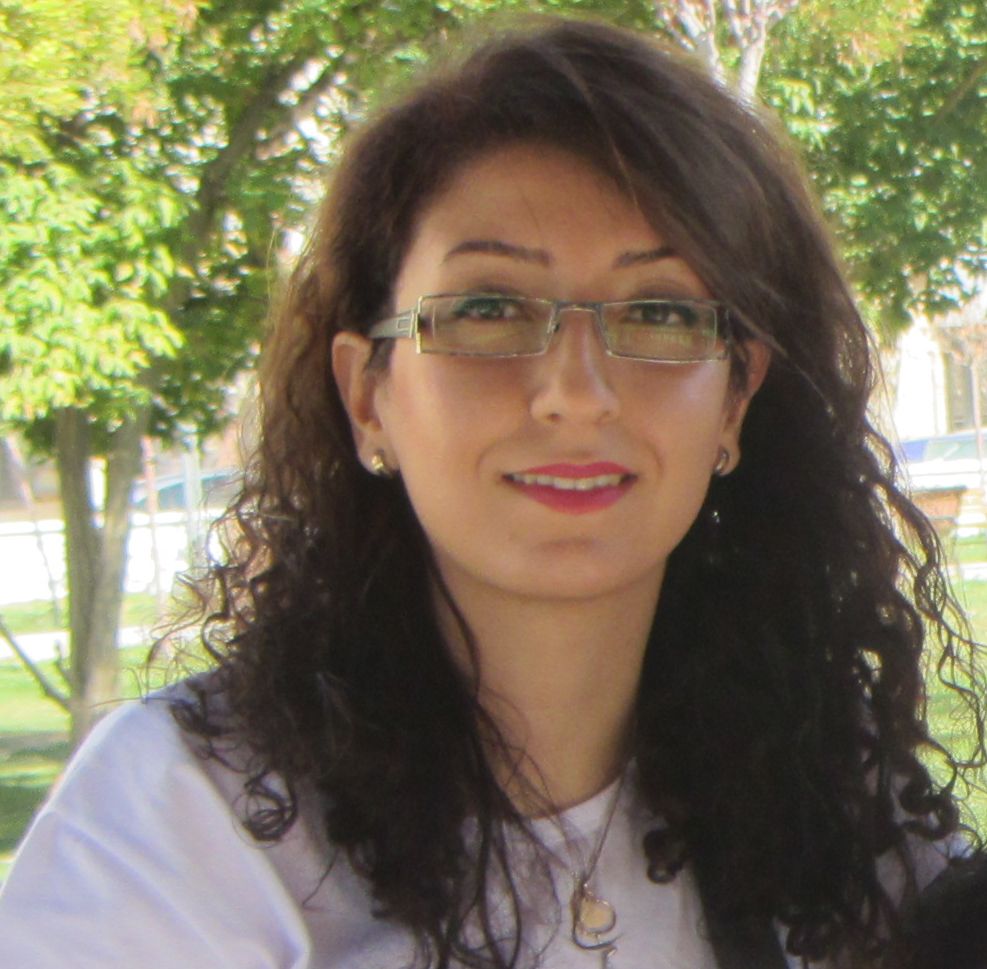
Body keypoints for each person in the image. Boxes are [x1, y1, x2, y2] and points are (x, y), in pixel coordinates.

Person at [0, 16, 983, 969]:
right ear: (367, 396)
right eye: (486, 309)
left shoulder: (840, 810)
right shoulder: (180, 828)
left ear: (735, 399)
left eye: (657, 312)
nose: (575, 393)